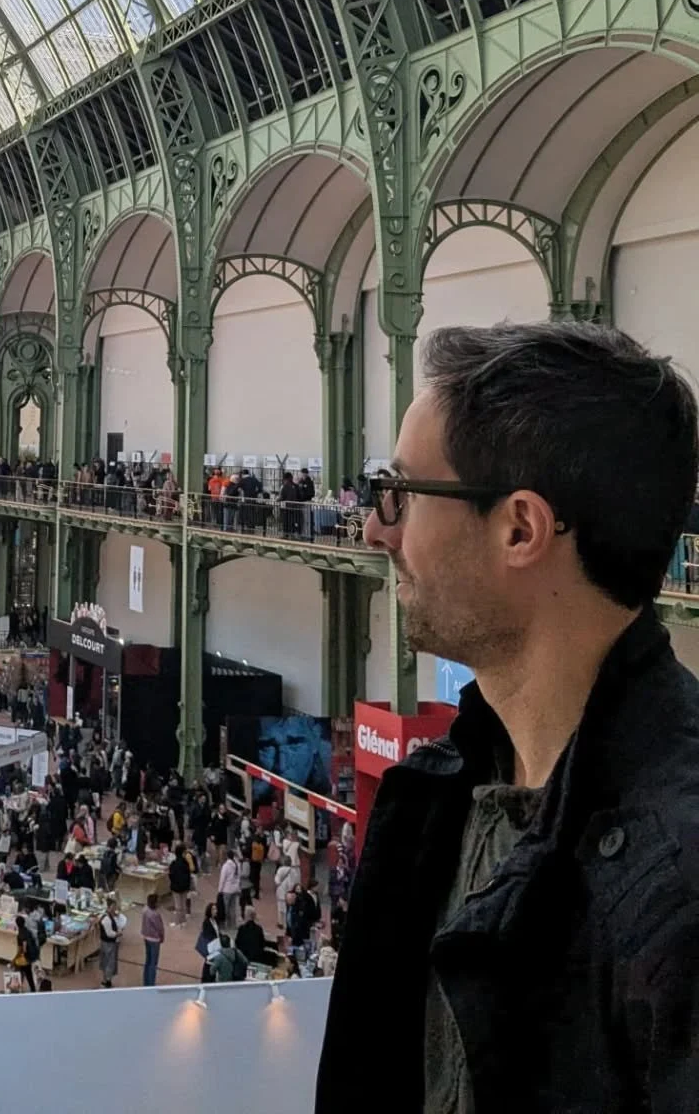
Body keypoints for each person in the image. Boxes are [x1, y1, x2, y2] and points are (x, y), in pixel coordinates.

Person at [318, 322, 699, 1113]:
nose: (376, 529)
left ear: (520, 529)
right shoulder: (435, 802)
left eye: (402, 493)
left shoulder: (681, 887)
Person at [97, 896, 125, 987]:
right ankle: (107, 981)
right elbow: (109, 933)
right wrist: (118, 933)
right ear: (109, 907)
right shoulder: (106, 919)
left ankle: (106, 980)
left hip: (107, 943)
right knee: (109, 962)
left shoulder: (107, 916)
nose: (115, 909)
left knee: (106, 962)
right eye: (113, 907)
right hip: (108, 944)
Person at [140, 892, 164, 986]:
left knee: (148, 960)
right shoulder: (155, 914)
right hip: (154, 939)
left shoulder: (145, 910)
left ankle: (145, 981)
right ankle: (151, 983)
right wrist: (162, 937)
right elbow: (159, 928)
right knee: (153, 963)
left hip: (146, 937)